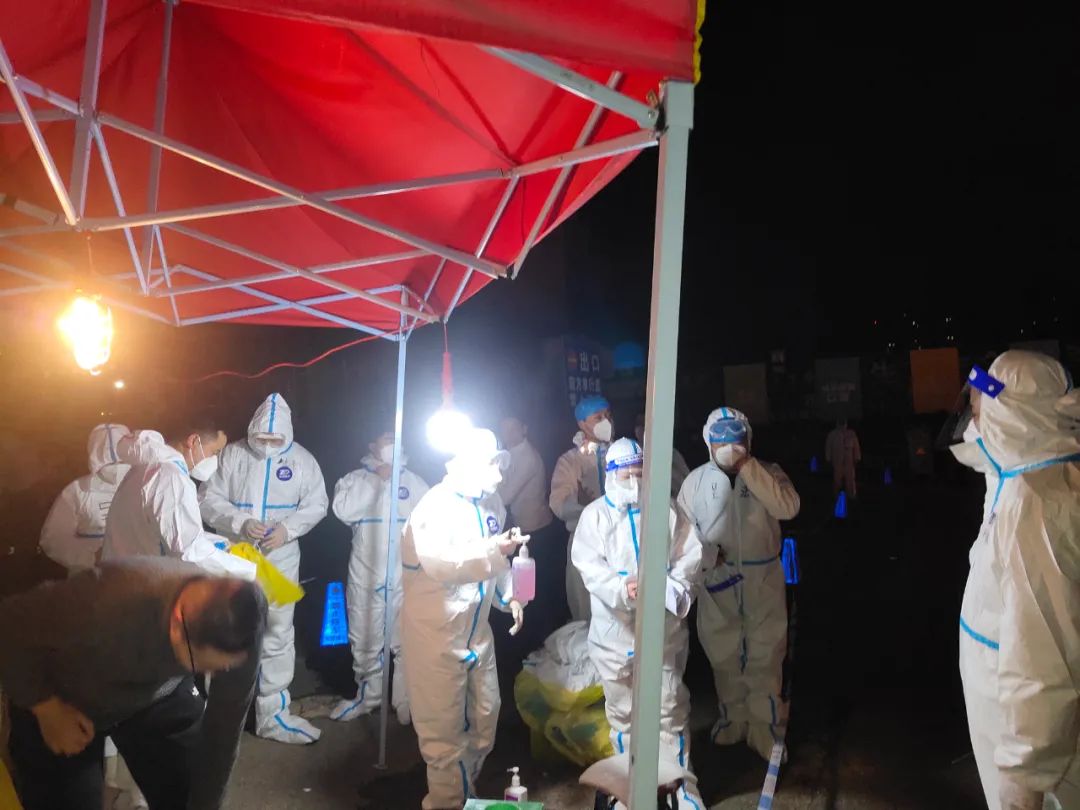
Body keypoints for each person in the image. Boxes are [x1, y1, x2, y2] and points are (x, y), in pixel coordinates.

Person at [0, 557, 266, 810]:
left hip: (158, 694)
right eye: (204, 667)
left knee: (191, 793)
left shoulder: (243, 623)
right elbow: (8, 627)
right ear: (177, 626)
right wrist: (47, 709)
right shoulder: (104, 601)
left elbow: (225, 729)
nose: (215, 675)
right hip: (66, 696)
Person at [954, 351, 1080, 810]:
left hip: (1038, 766)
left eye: (980, 414)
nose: (974, 426)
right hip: (1012, 728)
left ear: (1012, 418)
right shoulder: (1027, 479)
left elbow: (1042, 669)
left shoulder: (1036, 508)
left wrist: (1022, 783)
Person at [572, 437, 704, 809]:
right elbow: (590, 568)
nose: (634, 480)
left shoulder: (666, 509)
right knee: (623, 717)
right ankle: (628, 792)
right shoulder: (595, 517)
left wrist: (673, 586)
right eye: (626, 474)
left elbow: (689, 555)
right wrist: (621, 587)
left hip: (662, 634)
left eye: (639, 473)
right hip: (615, 637)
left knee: (669, 711)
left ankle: (680, 790)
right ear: (610, 474)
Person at [400, 428, 526, 809]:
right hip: (436, 638)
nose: (498, 474)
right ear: (467, 464)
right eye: (491, 464)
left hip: (477, 634)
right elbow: (444, 564)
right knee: (443, 736)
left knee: (486, 718)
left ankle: (464, 792)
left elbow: (496, 564)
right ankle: (447, 802)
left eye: (500, 464)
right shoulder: (433, 508)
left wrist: (510, 595)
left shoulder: (492, 503)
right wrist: (495, 550)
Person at [199, 393, 328, 745]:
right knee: (225, 629)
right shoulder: (232, 455)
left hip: (280, 557)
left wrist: (287, 530)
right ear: (252, 430)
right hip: (233, 554)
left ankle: (273, 715)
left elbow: (317, 503)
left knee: (278, 633)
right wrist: (240, 522)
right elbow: (207, 498)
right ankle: (218, 716)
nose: (268, 445)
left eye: (275, 438)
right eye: (262, 437)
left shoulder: (302, 461)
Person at [678, 407, 800, 760]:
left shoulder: (768, 473)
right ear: (708, 442)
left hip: (763, 578)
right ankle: (734, 718)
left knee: (766, 652)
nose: (730, 449)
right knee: (723, 653)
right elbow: (681, 532)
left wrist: (748, 467)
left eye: (737, 441)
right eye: (722, 443)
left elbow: (788, 507)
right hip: (717, 580)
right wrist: (706, 555)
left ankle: (765, 728)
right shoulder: (695, 482)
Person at [329, 429, 429, 724]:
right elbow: (343, 511)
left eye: (395, 440)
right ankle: (368, 697)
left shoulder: (415, 483)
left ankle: (405, 700)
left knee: (407, 640)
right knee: (364, 638)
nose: (391, 445)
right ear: (372, 445)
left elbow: (430, 524)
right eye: (386, 439)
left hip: (405, 575)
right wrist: (378, 481)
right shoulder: (354, 480)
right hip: (366, 573)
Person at [102, 423, 255, 581]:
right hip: (144, 583)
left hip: (123, 577)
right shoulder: (172, 478)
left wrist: (220, 543)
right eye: (214, 452)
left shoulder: (146, 468)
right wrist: (248, 571)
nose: (214, 460)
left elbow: (171, 530)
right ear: (193, 441)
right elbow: (189, 551)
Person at [551, 395, 613, 621]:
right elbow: (558, 504)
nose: (606, 421)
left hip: (619, 539)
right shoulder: (570, 461)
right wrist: (581, 505)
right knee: (586, 606)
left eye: (608, 415)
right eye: (598, 417)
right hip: (585, 541)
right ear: (582, 424)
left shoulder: (621, 453)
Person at [498, 414, 560, 638]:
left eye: (513, 428)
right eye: (504, 429)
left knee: (533, 587)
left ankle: (538, 636)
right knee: (525, 585)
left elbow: (505, 496)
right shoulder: (510, 454)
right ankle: (531, 632)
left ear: (524, 429)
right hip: (521, 527)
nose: (508, 434)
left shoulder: (527, 458)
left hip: (535, 530)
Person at [40, 423, 131, 574]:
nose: (116, 465)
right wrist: (92, 558)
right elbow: (54, 539)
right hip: (96, 580)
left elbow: (53, 539)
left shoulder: (76, 490)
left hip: (125, 578)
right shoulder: (77, 490)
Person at [634, 412, 691, 497]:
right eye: (639, 425)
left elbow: (687, 479)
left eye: (645, 424)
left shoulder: (671, 452)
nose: (642, 429)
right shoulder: (634, 454)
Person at [825, 418, 861, 500]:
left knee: (850, 480)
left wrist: (857, 458)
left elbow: (856, 447)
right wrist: (828, 458)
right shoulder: (832, 434)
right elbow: (828, 447)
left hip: (849, 462)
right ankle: (836, 495)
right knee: (837, 480)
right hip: (837, 461)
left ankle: (851, 495)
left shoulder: (851, 434)